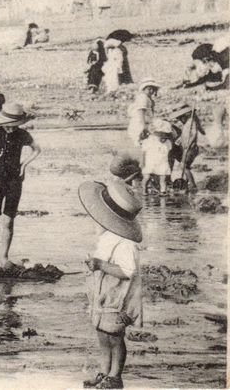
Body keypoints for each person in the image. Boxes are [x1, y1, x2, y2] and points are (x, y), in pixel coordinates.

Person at [78, 179, 143, 389]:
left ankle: (116, 376)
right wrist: (94, 264)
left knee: (115, 337)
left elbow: (127, 271)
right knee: (102, 336)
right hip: (104, 297)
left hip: (117, 299)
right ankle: (104, 372)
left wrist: (100, 265)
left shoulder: (126, 244)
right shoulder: (107, 237)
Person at [0, 103, 41, 267]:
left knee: (8, 221)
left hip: (14, 181)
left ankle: (3, 257)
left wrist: (24, 165)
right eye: (8, 125)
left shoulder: (22, 134)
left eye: (14, 125)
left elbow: (37, 149)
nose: (11, 129)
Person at [167, 104, 204, 192]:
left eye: (180, 118)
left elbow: (194, 134)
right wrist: (178, 141)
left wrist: (189, 144)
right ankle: (188, 182)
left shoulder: (191, 122)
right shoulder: (187, 123)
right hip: (187, 148)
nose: (180, 120)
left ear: (184, 115)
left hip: (190, 148)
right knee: (185, 165)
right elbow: (184, 135)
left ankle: (193, 184)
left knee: (184, 166)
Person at [140, 119, 174, 195]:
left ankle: (163, 191)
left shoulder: (168, 143)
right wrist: (142, 161)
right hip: (150, 161)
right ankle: (144, 189)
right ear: (156, 133)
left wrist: (170, 163)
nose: (163, 138)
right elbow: (144, 151)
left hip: (162, 161)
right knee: (147, 177)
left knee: (163, 177)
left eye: (166, 136)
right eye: (161, 135)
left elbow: (169, 154)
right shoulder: (150, 140)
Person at [126, 79, 158, 144]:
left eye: (153, 89)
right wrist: (143, 126)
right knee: (143, 140)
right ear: (144, 89)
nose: (151, 91)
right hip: (140, 123)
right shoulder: (143, 97)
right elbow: (141, 112)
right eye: (149, 89)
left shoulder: (148, 98)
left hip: (146, 122)